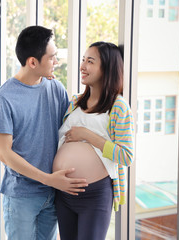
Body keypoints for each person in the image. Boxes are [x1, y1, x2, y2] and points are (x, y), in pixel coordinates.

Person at [0, 25, 88, 240]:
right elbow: (4, 154)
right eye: (52, 58)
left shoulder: (56, 88)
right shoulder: (3, 98)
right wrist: (49, 179)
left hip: (53, 194)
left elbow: (69, 131)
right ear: (33, 62)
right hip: (21, 196)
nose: (56, 63)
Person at [53, 41, 135, 240]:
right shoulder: (74, 102)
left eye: (90, 61)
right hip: (64, 193)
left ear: (106, 68)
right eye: (83, 60)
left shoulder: (119, 107)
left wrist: (86, 135)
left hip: (95, 195)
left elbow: (126, 156)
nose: (82, 66)